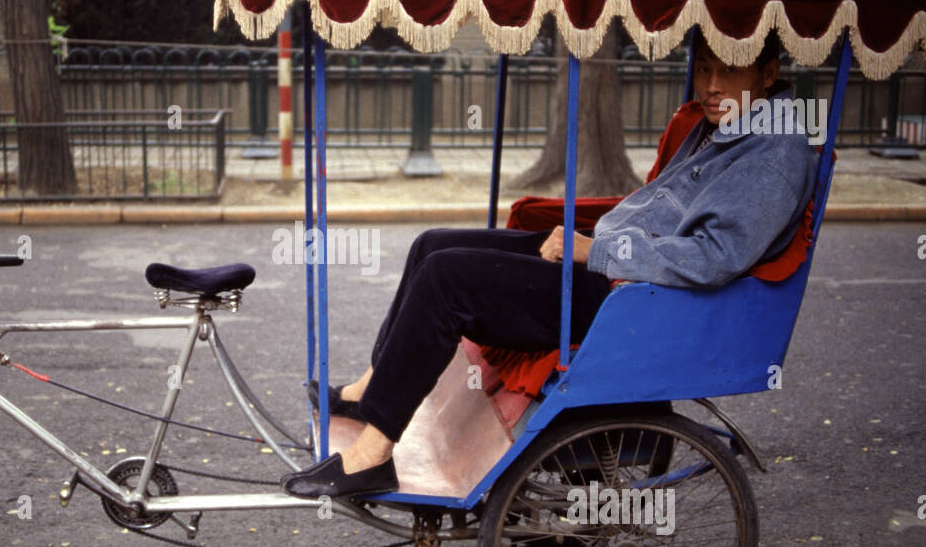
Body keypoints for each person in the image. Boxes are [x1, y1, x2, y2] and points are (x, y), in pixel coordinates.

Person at [282, 31, 821, 498]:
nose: (711, 86)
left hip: (632, 297)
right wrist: (591, 239)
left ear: (769, 73)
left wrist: (596, 250)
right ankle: (369, 394)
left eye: (728, 71)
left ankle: (373, 454)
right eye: (704, 70)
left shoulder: (775, 155)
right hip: (611, 264)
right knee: (432, 244)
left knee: (448, 281)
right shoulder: (727, 125)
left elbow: (713, 257)